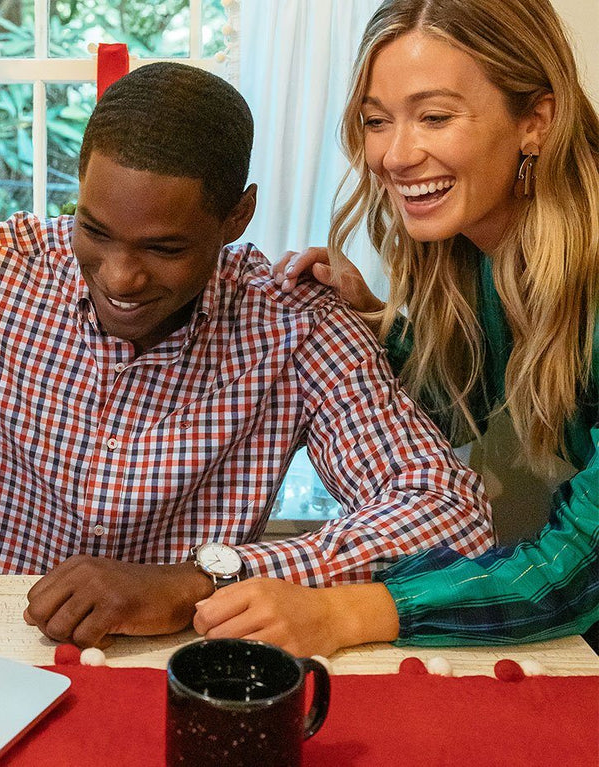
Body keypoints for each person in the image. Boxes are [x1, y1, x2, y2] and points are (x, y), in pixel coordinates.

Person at [0, 62, 491, 650]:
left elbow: (452, 514)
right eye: (95, 230)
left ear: (236, 216)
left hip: (180, 663)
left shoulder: (292, 321)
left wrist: (198, 583)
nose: (120, 277)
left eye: (164, 247)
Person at [194, 0, 598, 658]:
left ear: (536, 121)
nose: (393, 154)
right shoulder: (474, 249)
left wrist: (342, 613)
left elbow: (578, 566)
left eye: (434, 116)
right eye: (377, 121)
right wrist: (377, 323)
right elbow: (457, 407)